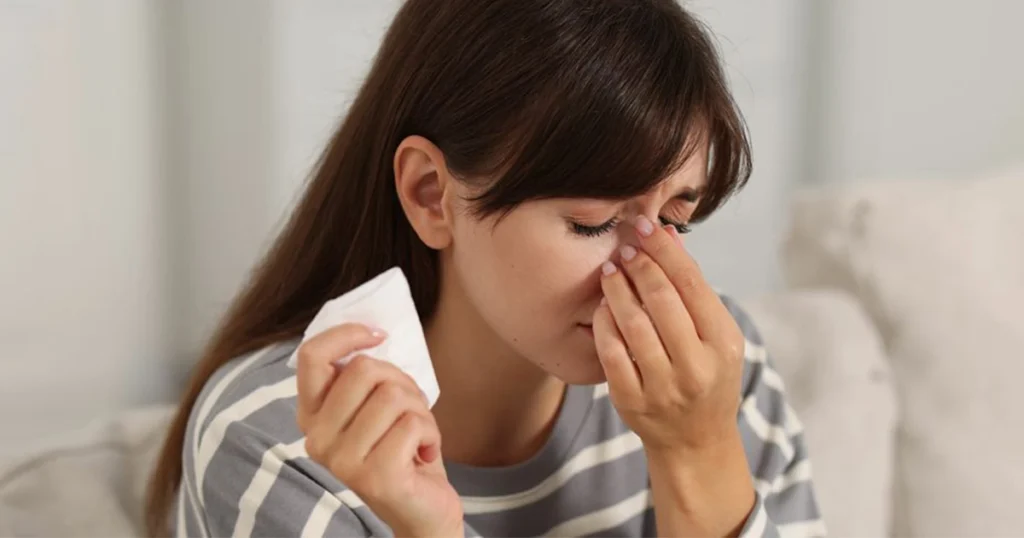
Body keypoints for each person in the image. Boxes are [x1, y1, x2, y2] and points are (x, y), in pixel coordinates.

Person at [146, 0, 825, 536]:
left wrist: (699, 454)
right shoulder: (283, 446)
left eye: (677, 218)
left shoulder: (715, 374)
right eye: (593, 221)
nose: (654, 264)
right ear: (431, 195)